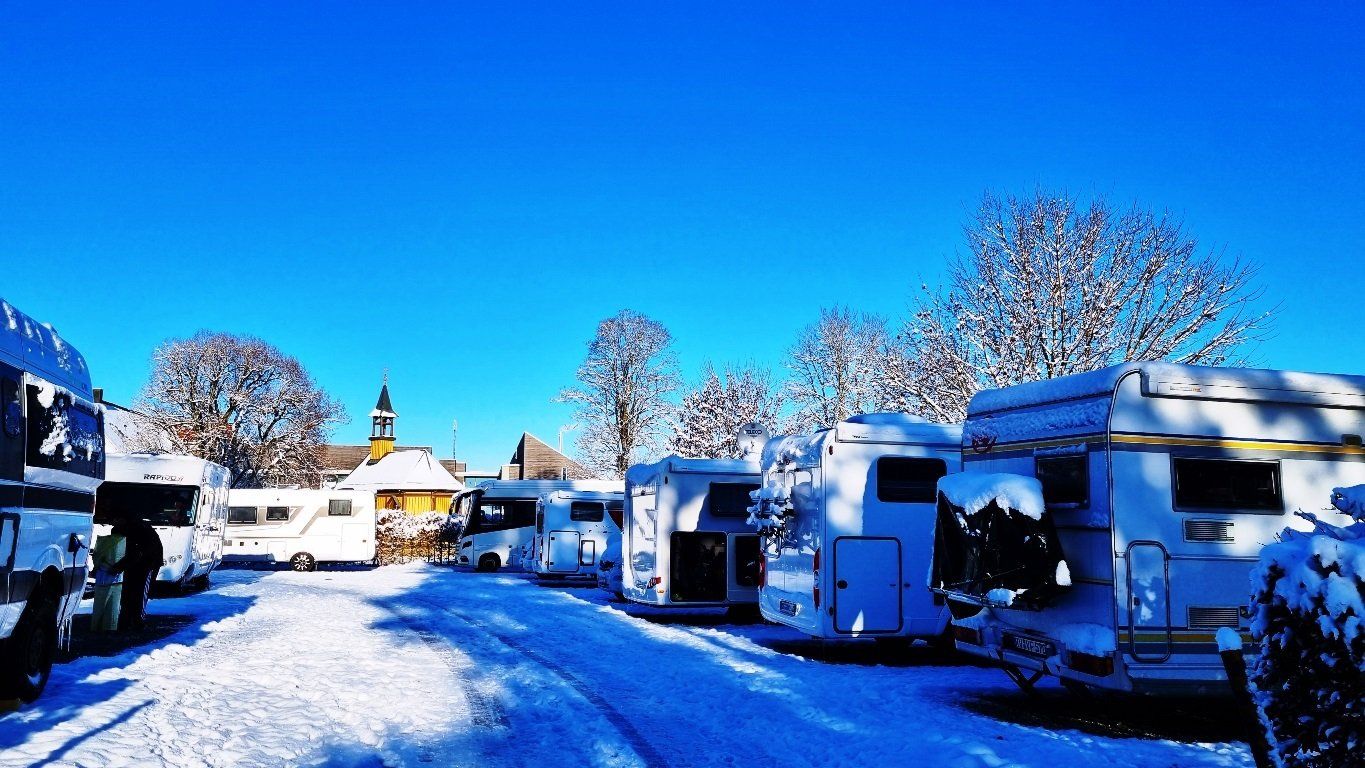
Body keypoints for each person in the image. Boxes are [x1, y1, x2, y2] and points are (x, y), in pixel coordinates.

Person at [110, 512, 163, 631]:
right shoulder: (117, 530)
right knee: (127, 590)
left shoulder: (138, 529)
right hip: (133, 561)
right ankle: (126, 619)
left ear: (122, 519)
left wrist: (119, 566)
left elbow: (136, 552)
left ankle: (138, 620)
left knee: (140, 590)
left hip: (148, 561)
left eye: (115, 520)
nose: (113, 523)